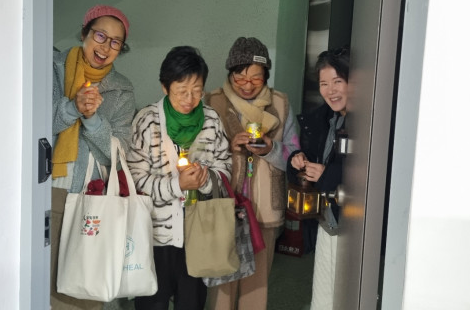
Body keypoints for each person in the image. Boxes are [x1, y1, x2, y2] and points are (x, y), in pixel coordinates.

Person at [126, 46, 232, 310]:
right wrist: (177, 185)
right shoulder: (147, 120)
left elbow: (225, 168)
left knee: (191, 302)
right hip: (154, 236)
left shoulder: (211, 120)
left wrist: (206, 180)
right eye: (181, 91)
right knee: (152, 303)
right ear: (165, 87)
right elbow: (135, 179)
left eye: (197, 90)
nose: (190, 99)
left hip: (198, 234)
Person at [50, 5, 136, 309]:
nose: (105, 47)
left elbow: (119, 153)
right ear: (85, 33)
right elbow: (34, 128)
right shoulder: (52, 68)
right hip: (51, 191)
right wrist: (73, 107)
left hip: (93, 198)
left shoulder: (122, 90)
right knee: (43, 286)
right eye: (100, 36)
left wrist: (92, 119)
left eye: (115, 42)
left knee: (83, 291)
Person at [204, 37, 300, 310]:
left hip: (265, 208)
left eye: (256, 78)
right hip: (224, 203)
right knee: (222, 284)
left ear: (266, 76)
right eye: (240, 77)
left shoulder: (280, 103)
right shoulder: (212, 101)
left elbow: (295, 155)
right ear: (230, 74)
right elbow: (198, 152)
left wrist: (271, 149)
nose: (247, 85)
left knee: (257, 285)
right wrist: (229, 147)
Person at [286, 46, 350, 310]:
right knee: (324, 296)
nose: (331, 90)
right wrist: (297, 160)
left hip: (352, 225)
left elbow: (368, 171)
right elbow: (309, 158)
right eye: (324, 84)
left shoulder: (368, 123)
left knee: (348, 295)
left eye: (338, 81)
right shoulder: (324, 119)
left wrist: (327, 175)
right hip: (327, 221)